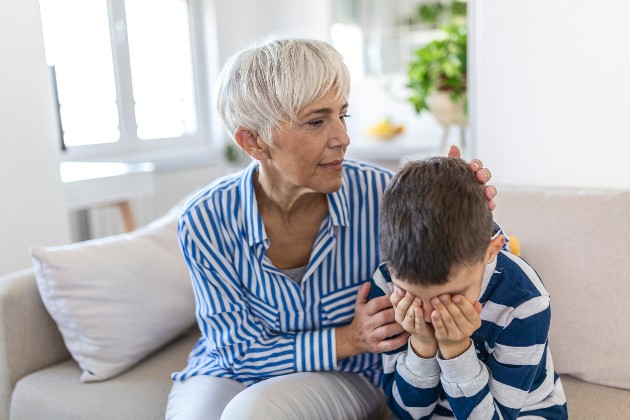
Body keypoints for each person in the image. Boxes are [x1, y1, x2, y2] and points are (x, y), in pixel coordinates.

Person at [165, 36, 497, 420]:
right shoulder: (205, 219)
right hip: (228, 370)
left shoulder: (379, 193)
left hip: (346, 372)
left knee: (250, 414)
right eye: (317, 121)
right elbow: (237, 351)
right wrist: (347, 338)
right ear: (254, 142)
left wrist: (465, 202)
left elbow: (463, 255)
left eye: (343, 115)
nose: (343, 138)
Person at [370, 157, 568, 419]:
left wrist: (455, 349)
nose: (432, 315)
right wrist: (421, 344)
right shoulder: (387, 283)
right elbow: (410, 413)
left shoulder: (525, 300)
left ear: (492, 250)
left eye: (452, 296)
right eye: (413, 296)